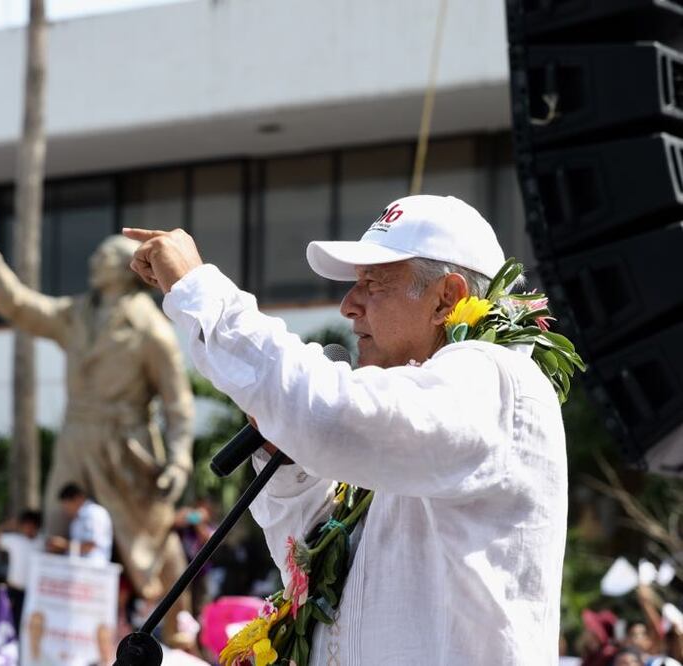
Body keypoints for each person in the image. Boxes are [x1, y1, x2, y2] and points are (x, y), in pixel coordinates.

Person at [125, 194, 569, 665]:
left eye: (373, 284)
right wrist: (290, 460)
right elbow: (314, 574)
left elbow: (337, 418)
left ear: (448, 299)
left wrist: (200, 293)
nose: (348, 306)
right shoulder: (416, 412)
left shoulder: (496, 380)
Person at [0, 190, 195, 641]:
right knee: (55, 535)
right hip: (76, 439)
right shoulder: (74, 315)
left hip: (127, 446)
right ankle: (54, 638)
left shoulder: (150, 329)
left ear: (125, 269)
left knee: (151, 545)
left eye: (105, 253)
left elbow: (177, 401)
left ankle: (182, 635)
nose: (94, 258)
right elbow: (19, 304)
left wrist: (180, 459)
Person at [0, 510, 43, 634]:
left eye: (31, 526)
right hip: (14, 590)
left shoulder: (41, 542)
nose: (28, 529)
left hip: (33, 592)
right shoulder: (14, 540)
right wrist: (6, 526)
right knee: (9, 623)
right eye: (25, 525)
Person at [46, 484, 113, 564]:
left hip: (94, 569)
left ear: (78, 499)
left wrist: (64, 545)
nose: (66, 511)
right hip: (80, 568)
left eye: (67, 507)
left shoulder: (93, 513)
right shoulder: (76, 519)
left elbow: (91, 546)